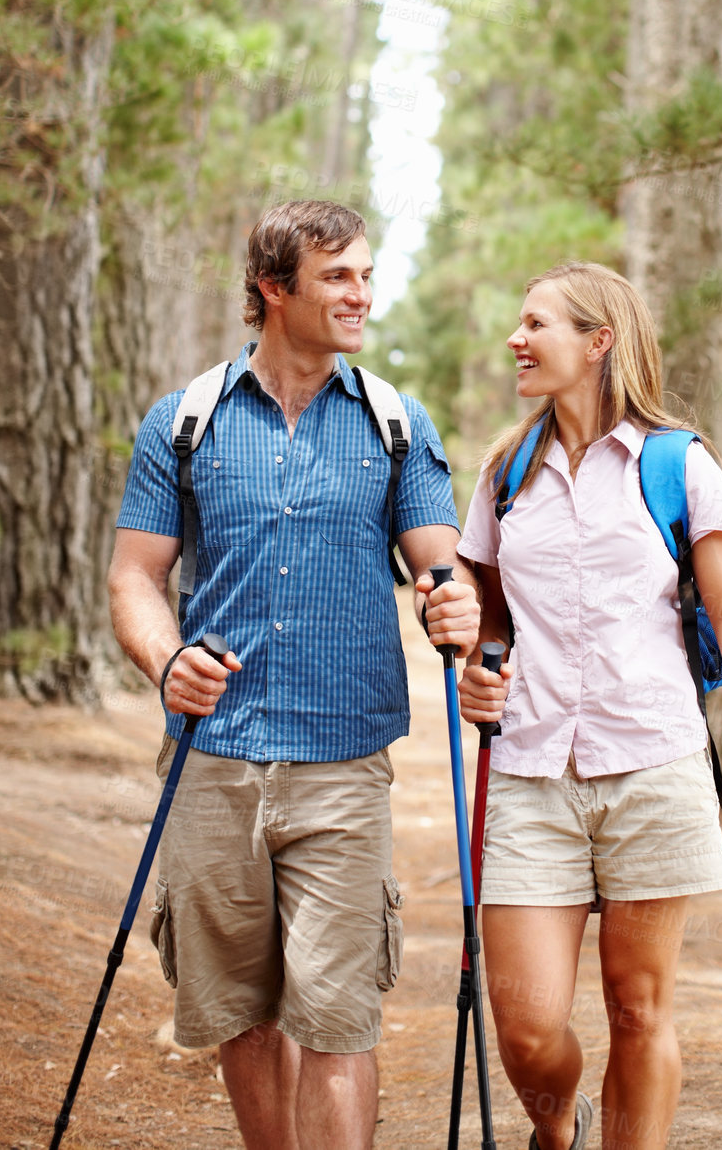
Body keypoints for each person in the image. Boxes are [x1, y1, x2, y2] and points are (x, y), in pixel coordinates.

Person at [107, 200, 480, 1150]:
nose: (362, 294)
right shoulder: (183, 422)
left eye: (365, 274)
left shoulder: (396, 423)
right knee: (240, 1012)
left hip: (342, 764)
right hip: (211, 759)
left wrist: (454, 600)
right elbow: (136, 579)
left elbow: (441, 563)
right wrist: (167, 659)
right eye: (339, 277)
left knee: (338, 1016)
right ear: (276, 290)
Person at [457, 261, 722, 1150]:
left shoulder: (677, 463)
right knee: (526, 1029)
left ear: (598, 342)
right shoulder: (505, 469)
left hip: (652, 761)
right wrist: (478, 666)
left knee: (639, 1010)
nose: (515, 340)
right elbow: (486, 614)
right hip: (531, 770)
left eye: (536, 325)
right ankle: (561, 1125)